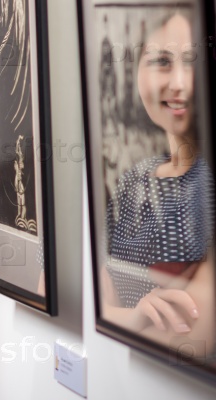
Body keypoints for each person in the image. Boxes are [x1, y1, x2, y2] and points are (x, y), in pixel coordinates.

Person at [101, 10, 214, 355]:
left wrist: (114, 316)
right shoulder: (134, 180)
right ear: (137, 73)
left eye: (193, 62)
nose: (179, 83)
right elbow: (94, 300)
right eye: (162, 62)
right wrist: (134, 318)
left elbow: (190, 339)